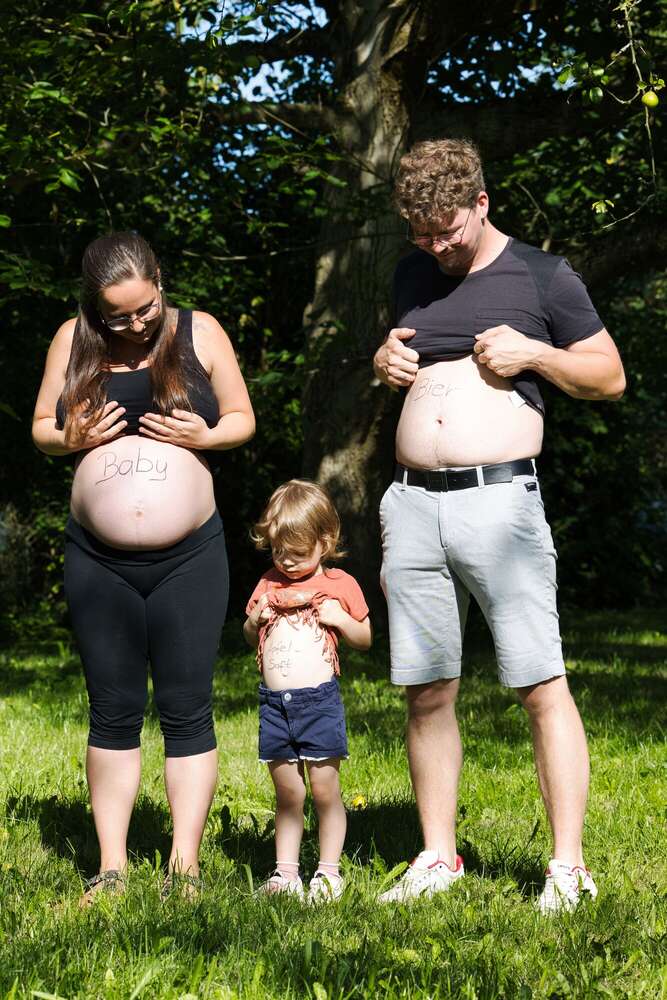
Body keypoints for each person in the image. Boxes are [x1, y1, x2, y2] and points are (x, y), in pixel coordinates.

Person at [373, 139, 625, 912]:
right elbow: (406, 362)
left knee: (538, 681)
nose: (436, 247)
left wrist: (535, 353)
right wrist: (383, 359)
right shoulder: (411, 273)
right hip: (412, 501)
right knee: (426, 688)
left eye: (446, 229)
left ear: (481, 204)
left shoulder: (544, 275)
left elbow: (608, 377)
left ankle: (566, 868)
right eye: (421, 234)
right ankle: (437, 856)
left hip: (499, 502)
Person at [32, 231, 255, 904]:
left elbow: (244, 417)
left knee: (187, 708)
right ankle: (111, 865)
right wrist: (65, 437)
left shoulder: (201, 332)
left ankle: (182, 867)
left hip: (190, 555)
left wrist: (206, 435)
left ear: (159, 280)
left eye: (142, 309)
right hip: (97, 559)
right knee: (114, 709)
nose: (132, 324)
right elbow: (40, 427)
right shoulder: (73, 338)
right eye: (117, 316)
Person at [243, 480, 372, 901]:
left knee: (323, 789)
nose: (287, 562)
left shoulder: (340, 584)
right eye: (279, 552)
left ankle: (329, 871)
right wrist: (255, 621)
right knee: (288, 791)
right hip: (275, 705)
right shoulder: (268, 583)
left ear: (325, 541)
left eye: (298, 554)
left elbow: (365, 638)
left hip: (318, 702)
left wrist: (339, 618)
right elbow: (247, 637)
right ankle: (285, 873)